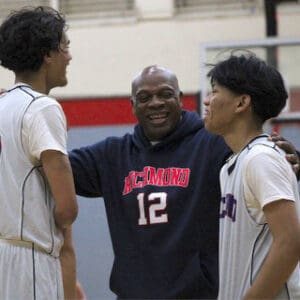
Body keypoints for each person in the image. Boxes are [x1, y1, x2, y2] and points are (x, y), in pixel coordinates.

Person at [69, 64, 300, 299]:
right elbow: (53, 168)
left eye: (165, 94)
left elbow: (264, 162)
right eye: (145, 97)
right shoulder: (112, 155)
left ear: (180, 99)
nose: (156, 102)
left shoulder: (217, 143)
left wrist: (291, 159)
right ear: (133, 106)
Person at [204, 52, 300, 299]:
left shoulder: (261, 158)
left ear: (241, 103)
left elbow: (290, 243)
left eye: (214, 91)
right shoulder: (231, 166)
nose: (206, 101)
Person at [0, 6, 78, 299]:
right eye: (65, 46)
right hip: (30, 260)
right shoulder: (42, 107)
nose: (69, 56)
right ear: (48, 54)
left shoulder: (3, 104)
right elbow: (67, 208)